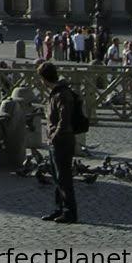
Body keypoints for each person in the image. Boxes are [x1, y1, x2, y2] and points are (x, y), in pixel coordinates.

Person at [38, 60, 78, 223]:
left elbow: (64, 118)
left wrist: (55, 135)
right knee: (57, 177)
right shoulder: (56, 92)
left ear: (44, 78)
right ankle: (60, 208)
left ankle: (70, 212)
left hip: (62, 140)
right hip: (56, 139)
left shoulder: (62, 94)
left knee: (64, 177)